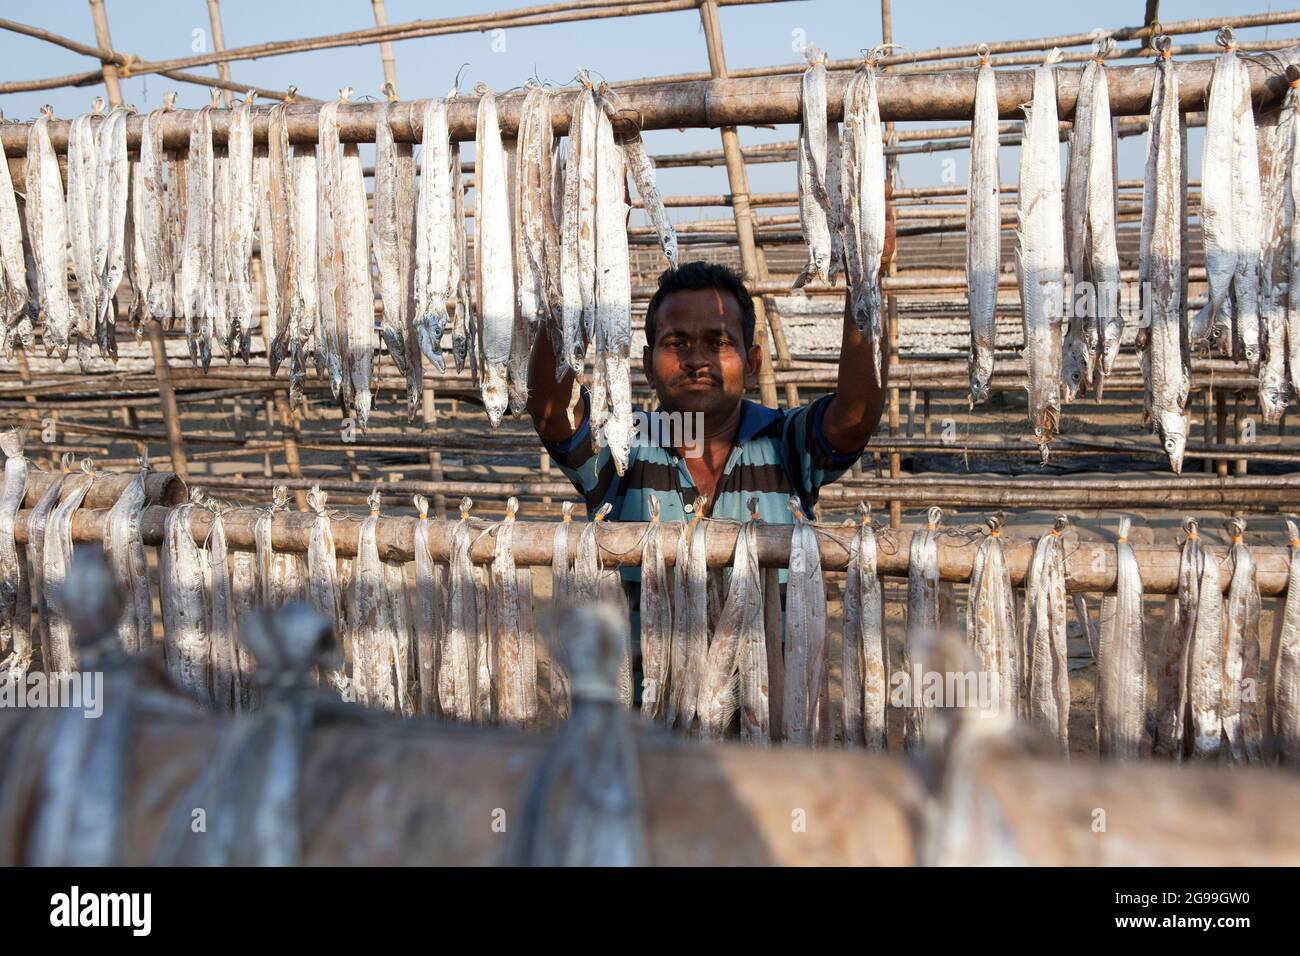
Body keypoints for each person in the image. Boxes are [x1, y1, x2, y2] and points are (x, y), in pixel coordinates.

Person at [526, 254, 890, 524]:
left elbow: (856, 416)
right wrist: (587, 255)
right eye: (677, 342)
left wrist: (866, 268)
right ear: (649, 367)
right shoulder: (626, 448)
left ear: (751, 366)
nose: (697, 359)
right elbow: (550, 408)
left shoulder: (786, 442)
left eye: (717, 343)